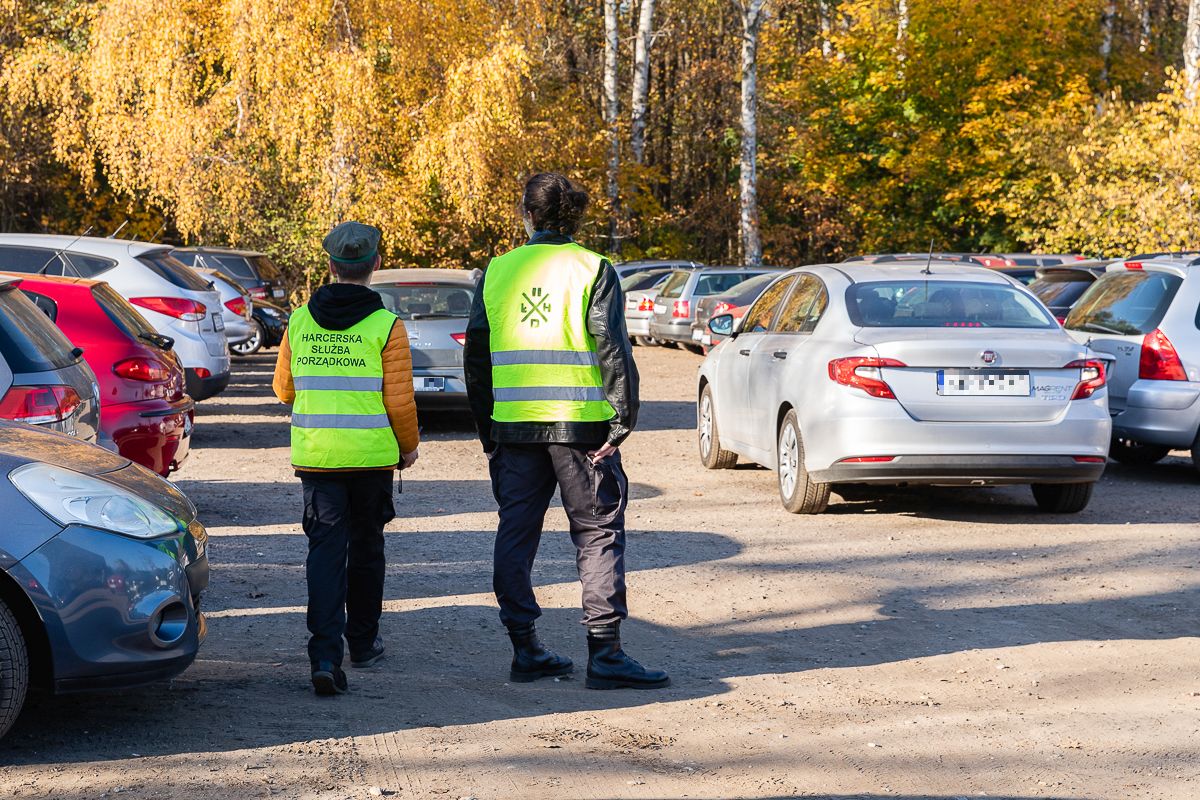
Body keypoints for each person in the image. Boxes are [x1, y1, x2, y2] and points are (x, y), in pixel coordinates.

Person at [464, 172, 669, 690]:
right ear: (574, 216)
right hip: (582, 427)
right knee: (598, 533)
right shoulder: (592, 268)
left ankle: (524, 648)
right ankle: (606, 653)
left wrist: (488, 428)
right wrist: (621, 420)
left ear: (526, 213)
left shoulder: (497, 272)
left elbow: (477, 360)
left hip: (514, 428)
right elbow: (611, 349)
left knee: (516, 532)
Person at [273, 221, 420, 696]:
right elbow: (399, 401)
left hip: (318, 460)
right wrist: (409, 447)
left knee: (325, 554)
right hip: (371, 461)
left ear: (330, 265)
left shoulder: (298, 321)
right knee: (367, 551)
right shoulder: (386, 326)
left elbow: (283, 390)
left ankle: (324, 655)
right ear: (375, 264)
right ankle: (363, 642)